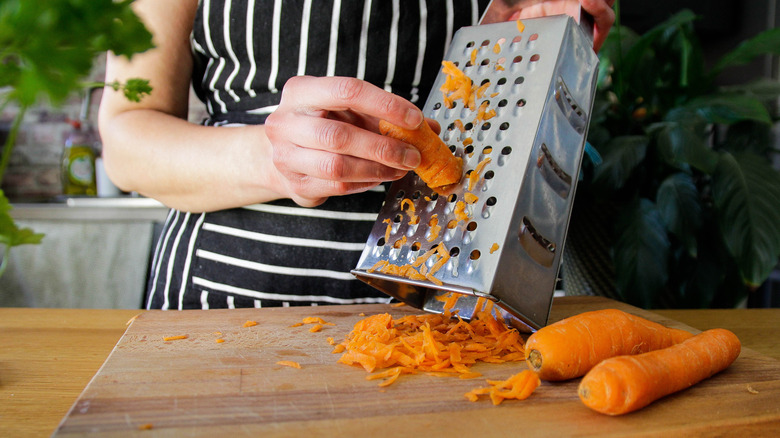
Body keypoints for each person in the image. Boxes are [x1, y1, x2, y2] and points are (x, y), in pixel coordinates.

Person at [99, 0, 615, 310]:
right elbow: (125, 139)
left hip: (472, 287)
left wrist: (553, 26)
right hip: (228, 298)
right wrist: (271, 156)